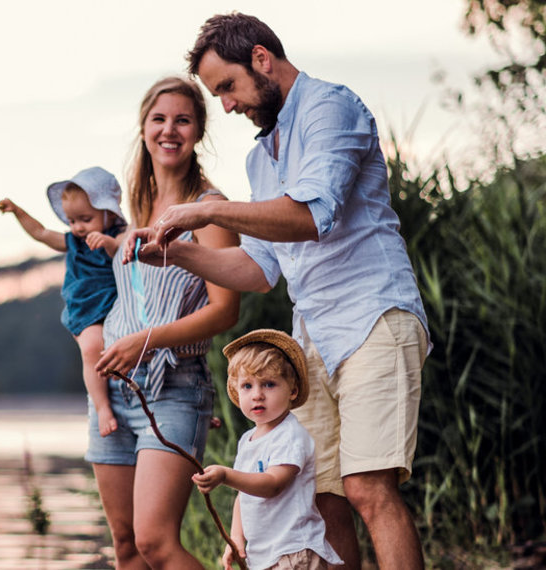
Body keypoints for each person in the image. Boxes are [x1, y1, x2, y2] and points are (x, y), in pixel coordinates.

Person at [127, 13, 431, 569]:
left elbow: (311, 215)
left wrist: (208, 207)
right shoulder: (260, 157)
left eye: (228, 87)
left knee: (368, 488)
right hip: (313, 336)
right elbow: (259, 268)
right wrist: (175, 250)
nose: (227, 104)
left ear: (262, 59)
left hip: (373, 317)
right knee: (321, 495)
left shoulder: (328, 108)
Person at [89, 76, 240, 569]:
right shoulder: (132, 210)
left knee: (156, 541)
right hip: (114, 394)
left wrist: (145, 342)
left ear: (198, 131)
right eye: (159, 119)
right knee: (127, 547)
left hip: (174, 388)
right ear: (143, 128)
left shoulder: (209, 210)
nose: (169, 130)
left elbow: (225, 310)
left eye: (182, 119)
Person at [192, 329, 342, 570]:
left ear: (292, 390)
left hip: (293, 552)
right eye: (247, 386)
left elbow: (273, 484)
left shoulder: (290, 434)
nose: (257, 395)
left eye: (269, 384)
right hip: (264, 555)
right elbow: (244, 494)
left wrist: (226, 475)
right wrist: (236, 538)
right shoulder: (248, 439)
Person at [0, 166, 126, 436]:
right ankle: (102, 407)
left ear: (109, 212)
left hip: (118, 307)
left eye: (86, 219)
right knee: (92, 348)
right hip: (88, 310)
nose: (78, 227)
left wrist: (108, 243)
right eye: (72, 221)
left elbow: (125, 250)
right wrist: (18, 212)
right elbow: (42, 233)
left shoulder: (119, 235)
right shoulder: (73, 242)